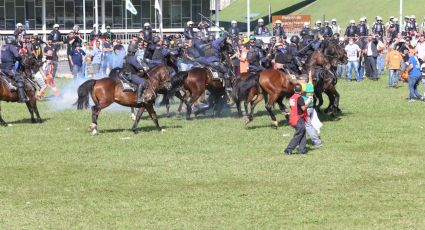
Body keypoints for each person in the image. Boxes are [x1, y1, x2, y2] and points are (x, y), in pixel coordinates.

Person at [284, 84, 313, 155]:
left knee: (302, 132)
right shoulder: (300, 98)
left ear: (294, 90)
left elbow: (293, 107)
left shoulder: (292, 97)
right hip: (298, 118)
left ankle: (302, 150)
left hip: (293, 118)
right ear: (301, 90)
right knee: (299, 134)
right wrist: (308, 102)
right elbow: (303, 108)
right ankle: (288, 149)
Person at [1, 36, 27, 102]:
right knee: (20, 79)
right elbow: (17, 55)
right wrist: (20, 58)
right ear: (12, 41)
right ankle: (22, 98)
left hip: (2, 68)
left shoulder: (2, 47)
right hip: (9, 68)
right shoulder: (11, 47)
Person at [303, 83, 322, 148]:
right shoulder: (310, 86)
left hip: (306, 109)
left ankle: (317, 142)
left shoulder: (303, 87)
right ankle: (301, 142)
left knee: (308, 126)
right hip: (311, 107)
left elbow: (296, 88)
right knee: (303, 126)